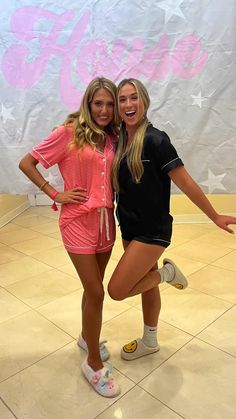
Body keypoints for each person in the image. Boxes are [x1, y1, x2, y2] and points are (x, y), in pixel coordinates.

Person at [108, 78, 236, 361]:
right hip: (128, 226)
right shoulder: (118, 142)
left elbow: (186, 181)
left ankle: (167, 274)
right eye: (122, 100)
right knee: (145, 283)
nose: (128, 104)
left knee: (117, 290)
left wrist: (213, 215)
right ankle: (150, 340)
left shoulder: (156, 139)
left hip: (152, 231)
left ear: (144, 101)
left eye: (133, 98)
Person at [19, 77, 121, 397]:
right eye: (98, 103)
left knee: (93, 291)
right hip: (77, 221)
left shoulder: (114, 138)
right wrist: (54, 192)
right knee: (96, 291)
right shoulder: (69, 133)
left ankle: (84, 336)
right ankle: (92, 362)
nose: (104, 110)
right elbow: (27, 162)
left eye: (109, 104)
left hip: (106, 221)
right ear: (88, 104)